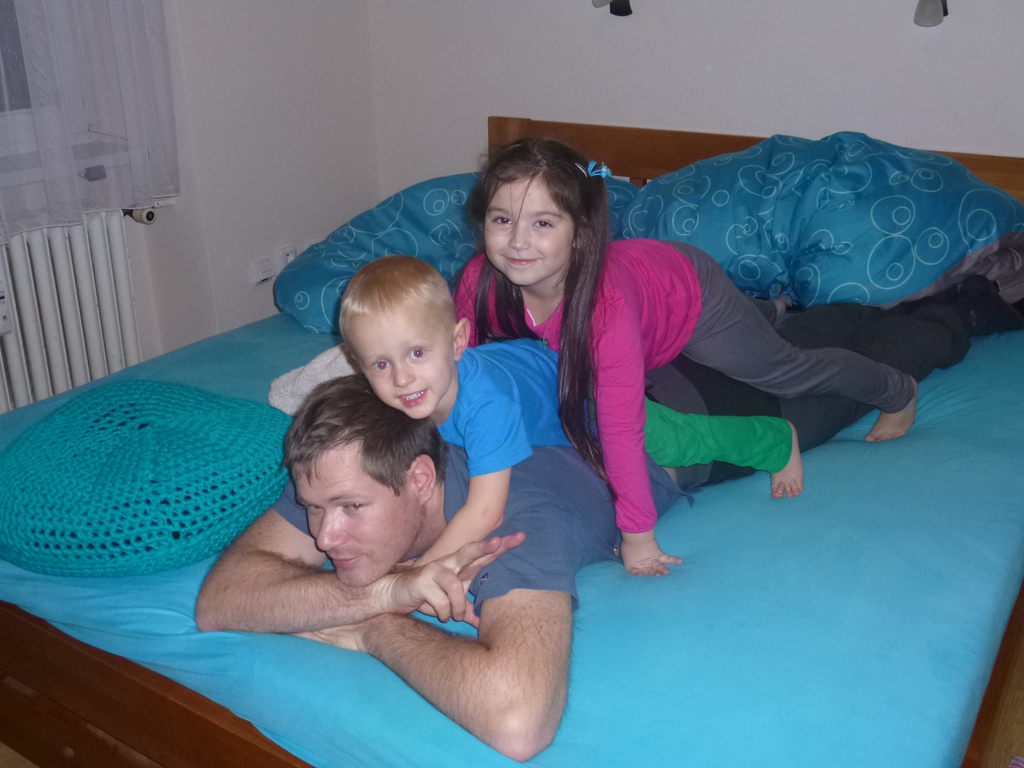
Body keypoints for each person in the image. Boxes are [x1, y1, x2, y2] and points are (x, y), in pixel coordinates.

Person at [455, 138, 918, 576]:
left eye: (542, 223)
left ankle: (897, 390)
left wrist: (638, 536)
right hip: (642, 298)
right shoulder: (479, 281)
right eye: (502, 220)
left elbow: (622, 429)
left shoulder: (605, 308)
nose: (517, 241)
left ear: (581, 233)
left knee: (786, 372)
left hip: (690, 300)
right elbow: (468, 379)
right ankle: (768, 308)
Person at [194, 373, 685, 761]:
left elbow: (518, 722)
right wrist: (384, 593)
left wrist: (375, 629)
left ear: (421, 479)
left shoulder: (513, 523)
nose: (325, 537)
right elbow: (220, 601)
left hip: (679, 405)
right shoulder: (343, 473)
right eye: (313, 508)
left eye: (352, 508)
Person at [341, 255, 802, 566]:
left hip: (586, 395)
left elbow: (485, 513)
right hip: (530, 368)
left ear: (459, 341)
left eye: (417, 353)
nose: (402, 378)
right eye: (381, 364)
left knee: (680, 440)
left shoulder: (486, 408)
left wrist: (423, 569)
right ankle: (769, 309)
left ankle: (776, 439)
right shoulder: (409, 392)